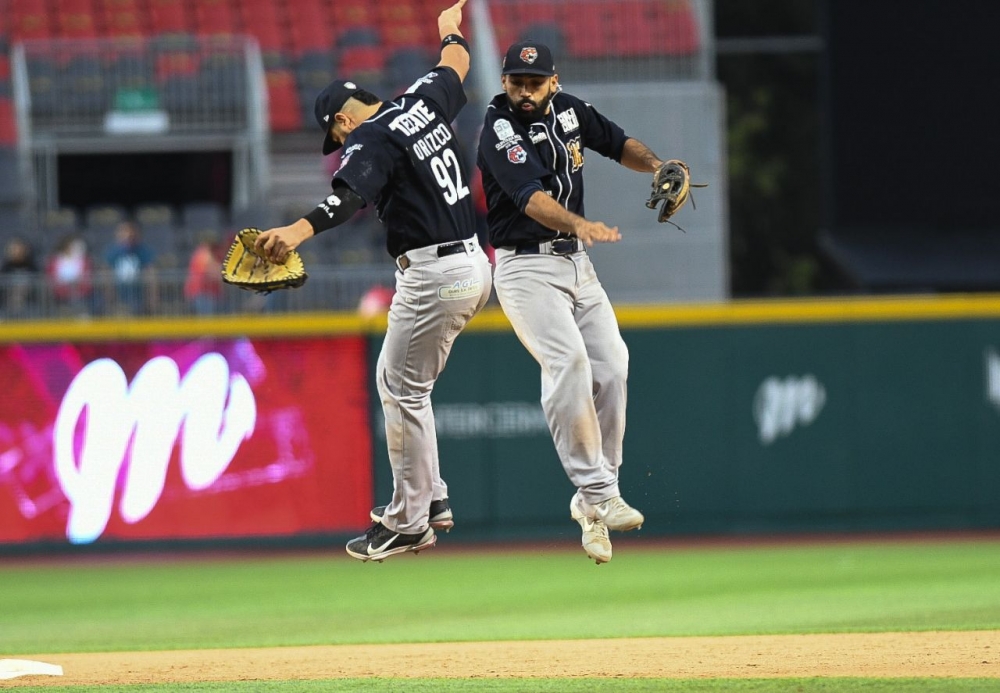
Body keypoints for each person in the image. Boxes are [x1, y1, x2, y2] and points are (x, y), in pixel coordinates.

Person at [253, 0, 491, 562]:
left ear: (342, 119)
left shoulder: (369, 137)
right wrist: (450, 30)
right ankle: (431, 501)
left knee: (398, 387)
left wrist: (298, 228)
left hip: (433, 272)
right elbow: (455, 63)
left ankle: (407, 521)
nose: (340, 143)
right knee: (411, 387)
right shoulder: (422, 101)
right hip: (476, 266)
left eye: (335, 135)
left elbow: (348, 196)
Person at [476, 41, 668, 564]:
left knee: (613, 366)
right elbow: (532, 200)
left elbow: (618, 142)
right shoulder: (498, 128)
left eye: (533, 82)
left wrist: (655, 166)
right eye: (515, 81)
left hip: (576, 264)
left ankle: (592, 502)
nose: (524, 90)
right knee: (570, 363)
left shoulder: (570, 110)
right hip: (525, 266)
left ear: (552, 81)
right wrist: (580, 223)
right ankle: (601, 492)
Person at [104, 220, 157, 315]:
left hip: (138, 295)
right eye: (123, 231)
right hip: (120, 294)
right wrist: (109, 297)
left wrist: (152, 298)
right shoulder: (112, 252)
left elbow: (151, 273)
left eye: (129, 232)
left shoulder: (143, 251)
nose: (127, 235)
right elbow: (107, 274)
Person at [47, 232, 94, 316]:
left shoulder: (84, 260)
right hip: (61, 295)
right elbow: (52, 277)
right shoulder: (56, 260)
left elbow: (87, 277)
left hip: (80, 295)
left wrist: (77, 286)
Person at [184, 231, 224, 315]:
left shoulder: (210, 254)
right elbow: (211, 270)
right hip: (202, 293)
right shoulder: (203, 254)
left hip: (210, 293)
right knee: (206, 319)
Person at [0, 236, 39, 317]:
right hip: (9, 302)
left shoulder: (32, 267)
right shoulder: (5, 268)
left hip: (29, 301)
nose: (17, 252)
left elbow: (38, 284)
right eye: (15, 250)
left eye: (19, 249)